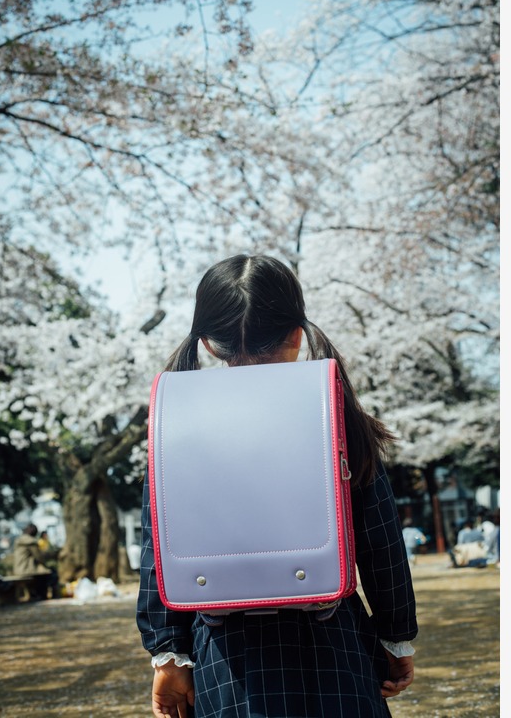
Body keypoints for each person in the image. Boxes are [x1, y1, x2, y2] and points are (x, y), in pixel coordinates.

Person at [136, 254, 418, 718]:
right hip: (332, 643)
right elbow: (380, 539)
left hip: (226, 654)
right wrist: (395, 633)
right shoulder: (333, 413)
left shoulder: (177, 421)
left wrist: (168, 652)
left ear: (207, 344)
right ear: (296, 334)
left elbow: (159, 546)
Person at [13, 523, 59, 600]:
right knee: (49, 573)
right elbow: (39, 557)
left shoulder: (19, 541)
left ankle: (37, 594)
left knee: (44, 573)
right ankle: (42, 595)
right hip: (26, 569)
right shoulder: (31, 542)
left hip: (18, 569)